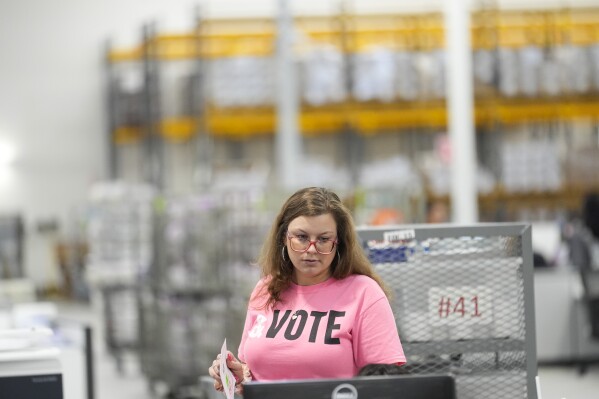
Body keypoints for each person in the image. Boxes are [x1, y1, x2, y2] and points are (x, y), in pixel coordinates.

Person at [208, 187, 406, 394]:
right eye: (301, 237)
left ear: (339, 243)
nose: (311, 249)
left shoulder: (364, 293)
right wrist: (240, 375)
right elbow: (256, 371)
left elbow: (385, 384)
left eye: (323, 239)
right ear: (284, 237)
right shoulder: (265, 289)